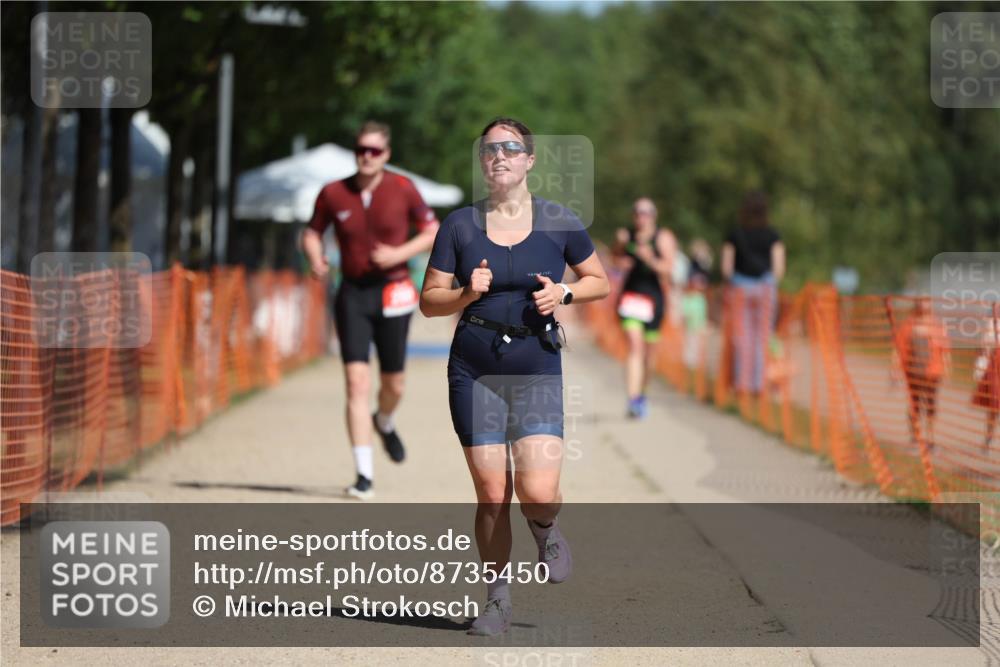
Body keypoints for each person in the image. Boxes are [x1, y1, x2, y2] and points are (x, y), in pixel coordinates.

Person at [419, 117, 609, 636]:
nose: (498, 156)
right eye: (489, 149)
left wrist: (565, 294)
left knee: (538, 490)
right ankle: (497, 601)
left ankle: (545, 528)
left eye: (510, 148)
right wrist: (465, 293)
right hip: (474, 368)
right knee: (490, 491)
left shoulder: (558, 221)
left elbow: (599, 282)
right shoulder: (458, 225)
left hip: (536, 366)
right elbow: (428, 302)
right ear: (482, 161)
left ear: (529, 160)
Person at [302, 120, 440, 500]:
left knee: (394, 383)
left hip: (394, 290)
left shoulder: (402, 188)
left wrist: (398, 253)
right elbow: (312, 231)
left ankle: (385, 420)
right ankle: (363, 475)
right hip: (352, 294)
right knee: (356, 383)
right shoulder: (333, 193)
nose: (367, 156)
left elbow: (432, 230)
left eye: (374, 151)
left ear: (386, 154)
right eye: (361, 149)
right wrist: (315, 257)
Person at [611, 198, 676, 418]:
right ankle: (632, 398)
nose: (641, 217)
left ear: (654, 216)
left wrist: (650, 259)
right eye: (637, 212)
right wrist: (619, 249)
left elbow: (669, 270)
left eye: (646, 212)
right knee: (634, 346)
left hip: (654, 300)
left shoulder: (663, 237)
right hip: (630, 297)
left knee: (649, 354)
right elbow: (615, 260)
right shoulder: (626, 235)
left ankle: (642, 393)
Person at [720, 191, 785, 398]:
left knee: (742, 338)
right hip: (765, 288)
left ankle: (742, 385)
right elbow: (778, 268)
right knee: (761, 338)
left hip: (740, 288)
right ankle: (758, 386)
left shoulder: (735, 234)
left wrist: (736, 282)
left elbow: (727, 267)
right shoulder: (773, 235)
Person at [892, 297, 950, 449]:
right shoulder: (908, 325)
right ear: (916, 304)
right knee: (914, 405)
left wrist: (947, 368)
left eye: (927, 301)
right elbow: (899, 349)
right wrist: (895, 370)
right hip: (914, 372)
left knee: (931, 405)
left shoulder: (937, 325)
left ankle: (931, 439)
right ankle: (915, 438)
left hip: (933, 373)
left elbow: (945, 350)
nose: (924, 304)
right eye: (921, 301)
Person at [972, 319, 999, 449]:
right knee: (994, 407)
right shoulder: (993, 323)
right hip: (995, 367)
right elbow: (983, 347)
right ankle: (988, 439)